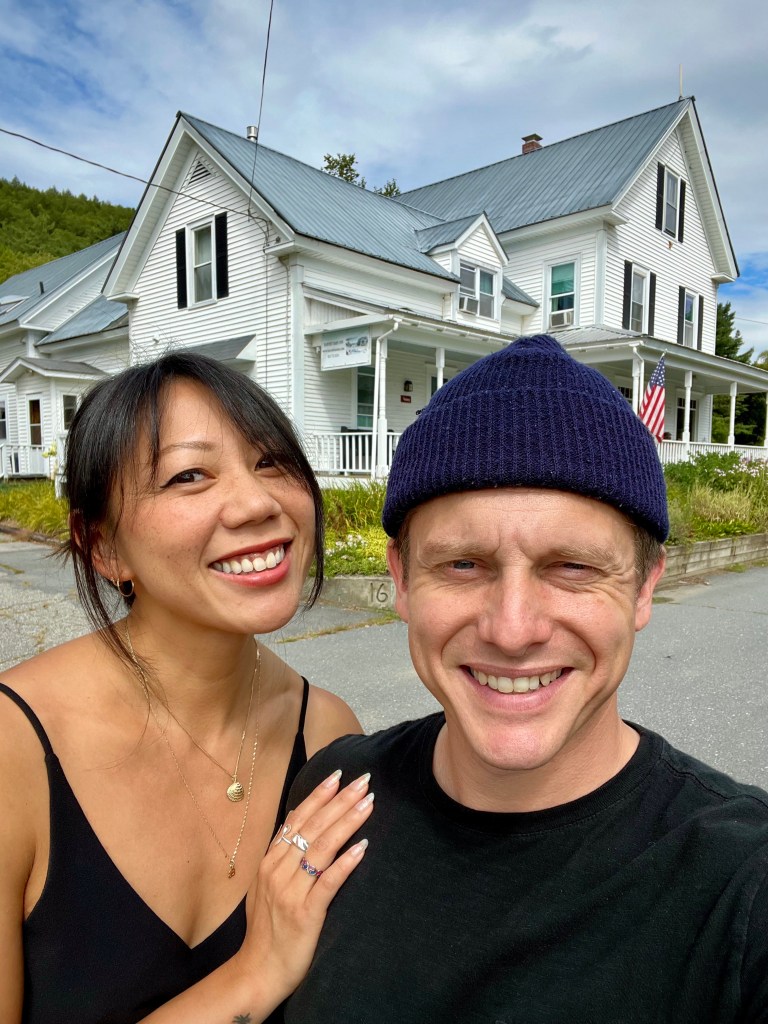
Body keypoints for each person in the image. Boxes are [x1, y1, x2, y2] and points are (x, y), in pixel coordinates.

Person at [283, 334, 768, 1023]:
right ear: (400, 578)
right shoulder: (331, 801)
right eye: (462, 565)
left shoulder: (741, 888)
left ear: (643, 588)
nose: (513, 630)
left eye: (572, 567)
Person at [0, 351, 373, 1024]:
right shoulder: (13, 749)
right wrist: (254, 975)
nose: (259, 502)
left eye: (270, 462)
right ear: (102, 546)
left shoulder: (327, 734)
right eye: (189, 475)